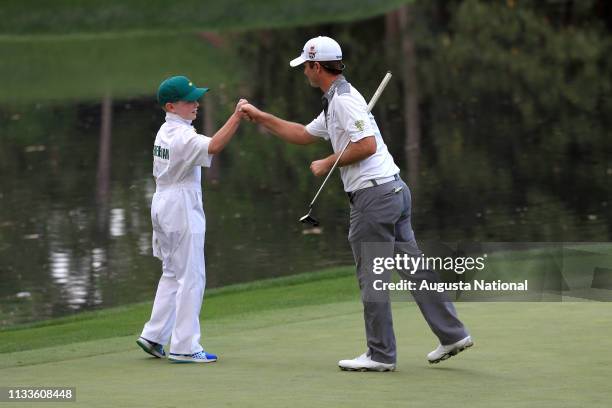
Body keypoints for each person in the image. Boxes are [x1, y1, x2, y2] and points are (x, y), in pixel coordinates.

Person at [239, 36, 473, 371]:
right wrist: (260, 117)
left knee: (372, 277)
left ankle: (380, 355)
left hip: (374, 198)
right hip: (393, 191)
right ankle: (453, 334)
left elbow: (366, 146)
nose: (304, 72)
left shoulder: (344, 101)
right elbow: (302, 134)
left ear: (317, 66)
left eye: (306, 66)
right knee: (414, 270)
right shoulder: (335, 100)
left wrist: (327, 162)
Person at [136, 75, 247, 363]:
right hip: (180, 205)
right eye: (189, 101)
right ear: (171, 106)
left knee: (173, 272)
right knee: (192, 276)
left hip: (163, 202)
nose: (196, 104)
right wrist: (236, 117)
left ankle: (154, 335)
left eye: (196, 99)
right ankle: (185, 346)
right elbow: (214, 146)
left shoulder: (166, 131)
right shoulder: (182, 136)